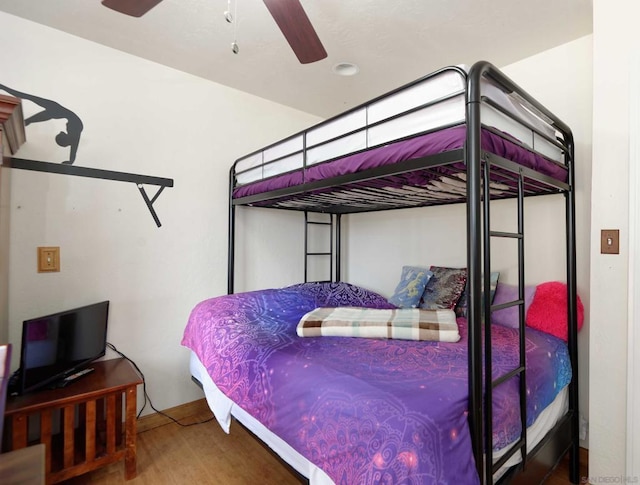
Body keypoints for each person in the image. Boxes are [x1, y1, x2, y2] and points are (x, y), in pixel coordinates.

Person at [0, 83, 83, 164]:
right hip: (55, 110)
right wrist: (71, 161)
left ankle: (3, 88)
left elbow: (73, 151)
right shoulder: (76, 132)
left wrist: (71, 161)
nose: (64, 130)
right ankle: (3, 87)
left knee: (28, 108)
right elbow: (73, 150)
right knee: (27, 98)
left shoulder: (74, 135)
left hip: (55, 111)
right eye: (62, 135)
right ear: (66, 140)